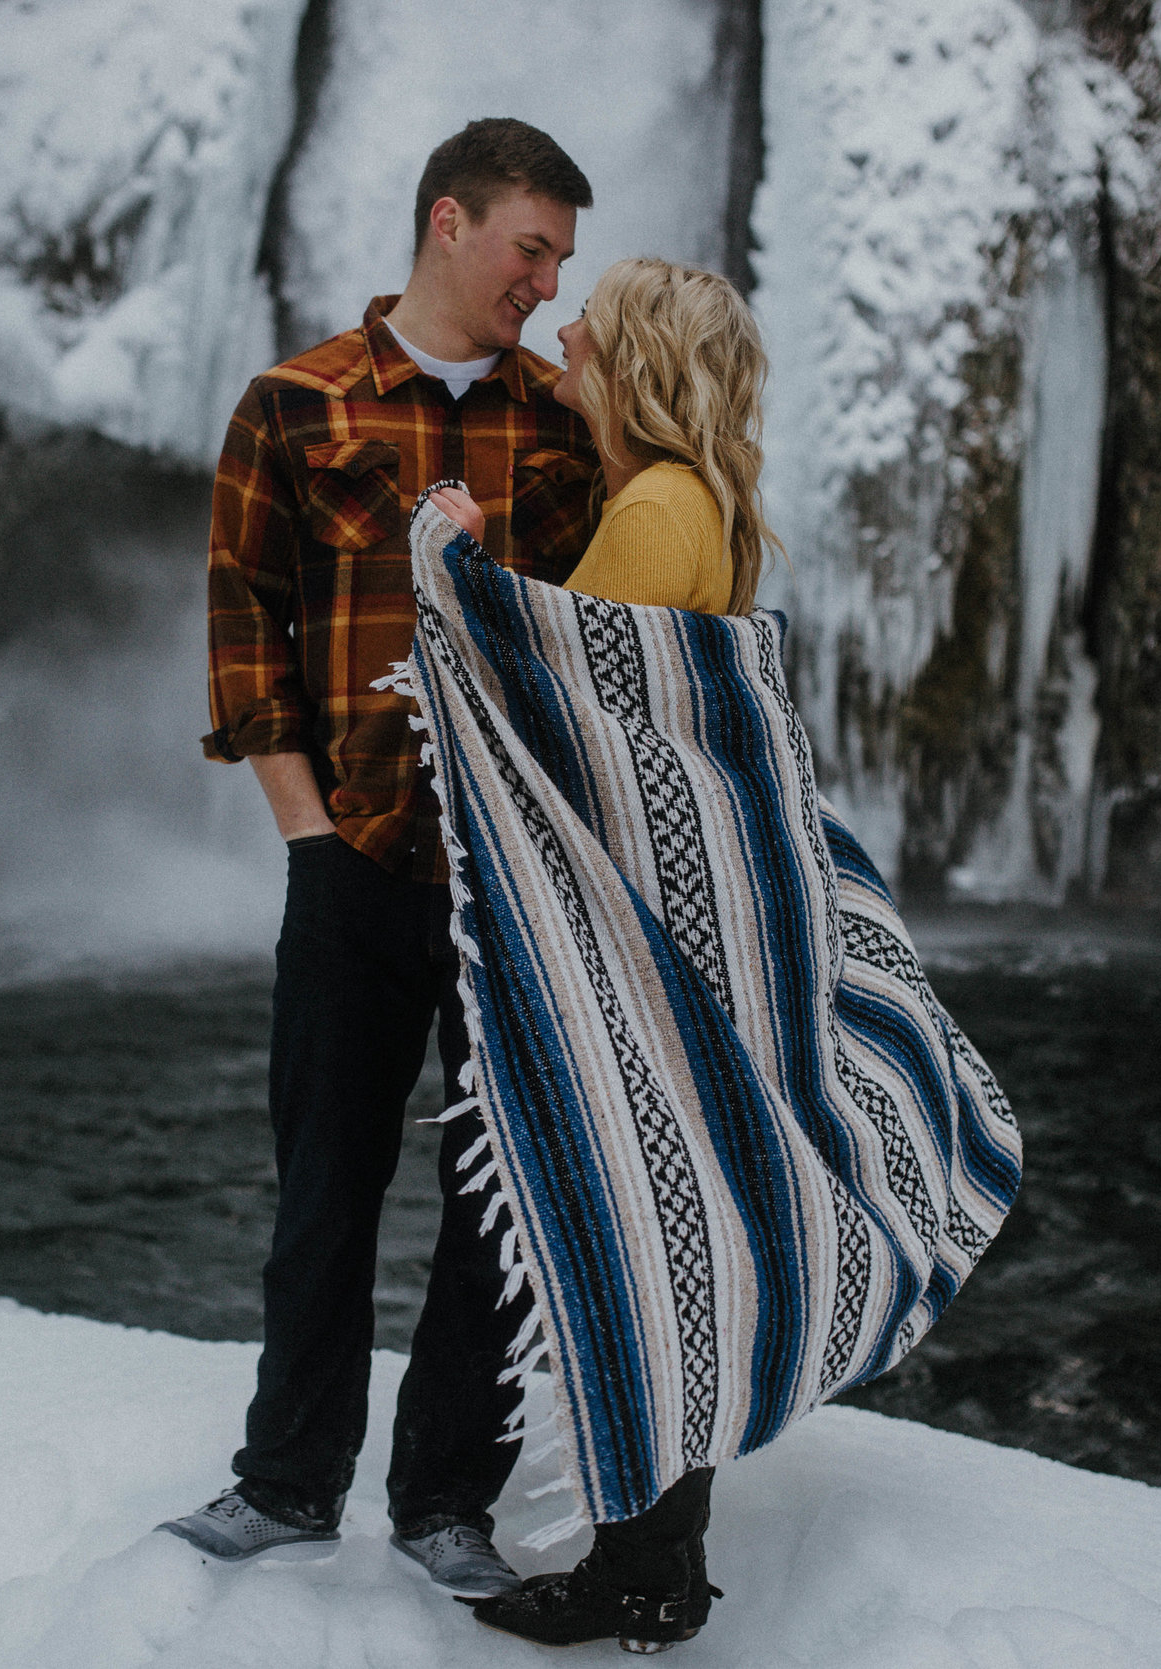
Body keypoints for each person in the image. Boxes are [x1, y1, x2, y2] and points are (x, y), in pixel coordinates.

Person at [158, 118, 600, 1601]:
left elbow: (613, 638)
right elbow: (241, 624)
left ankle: (444, 1502)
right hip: (349, 859)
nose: (545, 281)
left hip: (513, 878)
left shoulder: (564, 423)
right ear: (449, 222)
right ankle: (285, 1484)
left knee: (502, 1198)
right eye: (530, 247)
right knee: (324, 1182)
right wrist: (303, 828)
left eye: (560, 257)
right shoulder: (294, 403)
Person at [424, 254, 782, 1651]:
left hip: (626, 938)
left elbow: (565, 725)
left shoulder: (652, 510)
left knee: (628, 1225)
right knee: (666, 1216)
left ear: (634, 358)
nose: (560, 328)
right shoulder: (704, 505)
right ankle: (651, 1559)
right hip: (678, 923)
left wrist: (458, 567)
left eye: (591, 318)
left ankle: (640, 1575)